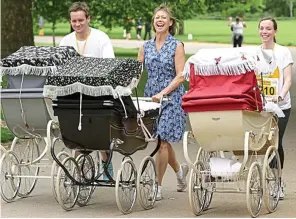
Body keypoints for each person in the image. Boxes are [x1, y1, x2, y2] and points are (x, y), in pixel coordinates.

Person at [137, 4, 188, 201]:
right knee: (161, 140)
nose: (159, 20)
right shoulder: (145, 46)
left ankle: (157, 187)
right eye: (157, 17)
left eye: (163, 18)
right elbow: (137, 72)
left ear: (170, 23)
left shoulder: (177, 45)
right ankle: (180, 173)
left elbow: (181, 76)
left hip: (172, 98)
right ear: (153, 22)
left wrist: (163, 92)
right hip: (151, 98)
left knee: (163, 141)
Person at [59, 1, 115, 180]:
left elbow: (109, 64)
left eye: (80, 20)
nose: (77, 24)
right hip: (74, 94)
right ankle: (77, 167)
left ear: (88, 19)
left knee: (99, 130)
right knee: (75, 131)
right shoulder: (66, 41)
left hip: (96, 93)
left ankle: (107, 164)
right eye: (74, 21)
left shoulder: (101, 38)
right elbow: (61, 68)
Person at [258, 17, 293, 200]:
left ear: (275, 31)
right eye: (262, 28)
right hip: (261, 107)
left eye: (268, 28)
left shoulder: (283, 52)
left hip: (280, 106)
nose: (265, 31)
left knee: (275, 143)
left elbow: (287, 78)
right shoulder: (254, 53)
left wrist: (280, 94)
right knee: (260, 144)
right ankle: (263, 177)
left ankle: (278, 182)